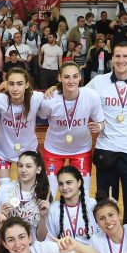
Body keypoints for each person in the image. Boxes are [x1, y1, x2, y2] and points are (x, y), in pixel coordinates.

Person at [86, 42, 127, 224]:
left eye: (125, 56)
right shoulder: (99, 82)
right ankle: (107, 242)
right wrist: (56, 88)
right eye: (118, 56)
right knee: (105, 210)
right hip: (106, 152)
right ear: (112, 58)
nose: (121, 60)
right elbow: (76, 93)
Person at [41, 61, 104, 195]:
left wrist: (99, 126)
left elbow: (101, 122)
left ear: (80, 77)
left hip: (81, 150)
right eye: (66, 77)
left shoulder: (91, 96)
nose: (71, 81)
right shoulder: (50, 99)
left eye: (75, 76)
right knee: (49, 194)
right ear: (59, 78)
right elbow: (41, 113)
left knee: (82, 194)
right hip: (53, 150)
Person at [0, 68, 44, 187]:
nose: (15, 88)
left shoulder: (36, 98)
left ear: (27, 84)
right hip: (2, 152)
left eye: (19, 84)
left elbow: (57, 97)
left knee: (27, 189)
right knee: (5, 189)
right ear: (6, 84)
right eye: (11, 84)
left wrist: (54, 88)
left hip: (28, 151)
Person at [0, 151, 51, 240]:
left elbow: (41, 238)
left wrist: (42, 217)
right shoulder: (4, 190)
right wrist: (2, 217)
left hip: (32, 245)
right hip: (7, 243)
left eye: (28, 166)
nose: (23, 170)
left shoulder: (44, 195)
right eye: (20, 166)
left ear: (38, 170)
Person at [41, 165, 97, 243]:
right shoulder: (53, 209)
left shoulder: (92, 204)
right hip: (63, 251)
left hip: (91, 250)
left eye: (69, 183)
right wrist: (42, 217)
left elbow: (102, 233)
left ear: (79, 182)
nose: (64, 188)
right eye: (61, 184)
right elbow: (50, 240)